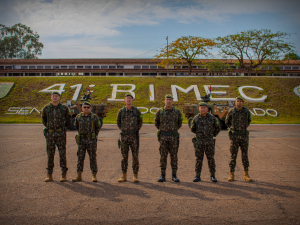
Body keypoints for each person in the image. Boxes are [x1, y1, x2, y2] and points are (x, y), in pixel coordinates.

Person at [42, 91, 71, 182]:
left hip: (61, 134)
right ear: (51, 97)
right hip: (50, 134)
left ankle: (63, 174)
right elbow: (44, 120)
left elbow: (69, 119)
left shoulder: (64, 108)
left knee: (62, 154)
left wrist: (64, 127)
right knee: (50, 154)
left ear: (59, 97)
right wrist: (49, 127)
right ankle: (49, 174)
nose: (55, 97)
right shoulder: (46, 108)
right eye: (53, 96)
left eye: (57, 96)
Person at [155, 94, 183, 182]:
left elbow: (179, 123)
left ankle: (174, 175)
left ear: (172, 101)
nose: (168, 101)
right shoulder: (160, 111)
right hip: (163, 137)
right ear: (164, 101)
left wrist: (172, 130)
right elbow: (156, 122)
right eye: (167, 99)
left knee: (174, 156)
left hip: (173, 137)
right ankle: (162, 175)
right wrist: (163, 130)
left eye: (170, 100)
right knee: (163, 156)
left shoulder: (177, 111)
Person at [190, 102, 220, 182]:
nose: (202, 109)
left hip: (209, 142)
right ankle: (197, 175)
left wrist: (212, 135)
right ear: (199, 109)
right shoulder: (196, 118)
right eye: (201, 108)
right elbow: (192, 129)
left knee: (211, 159)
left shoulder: (212, 118)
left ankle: (213, 175)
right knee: (199, 159)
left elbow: (218, 127)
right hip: (199, 142)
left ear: (207, 109)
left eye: (204, 107)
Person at [72, 102, 102, 182]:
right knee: (80, 158)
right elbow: (77, 127)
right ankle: (79, 175)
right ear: (82, 108)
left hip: (91, 141)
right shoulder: (78, 117)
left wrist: (94, 136)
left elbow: (97, 127)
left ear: (90, 108)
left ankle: (94, 175)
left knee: (92, 158)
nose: (86, 108)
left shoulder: (94, 117)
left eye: (88, 107)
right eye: (84, 107)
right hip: (81, 141)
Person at [117, 93, 143, 183]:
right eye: (127, 98)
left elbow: (140, 122)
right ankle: (123, 175)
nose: (128, 100)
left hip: (134, 137)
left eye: (130, 98)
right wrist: (124, 130)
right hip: (124, 137)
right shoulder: (121, 111)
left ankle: (135, 176)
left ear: (132, 100)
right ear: (124, 100)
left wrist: (134, 130)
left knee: (135, 156)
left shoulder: (136, 111)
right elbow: (118, 122)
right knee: (124, 157)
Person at [225, 96, 252, 182]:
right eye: (238, 101)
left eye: (240, 101)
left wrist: (242, 128)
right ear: (235, 103)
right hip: (235, 136)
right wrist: (233, 129)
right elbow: (227, 121)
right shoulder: (232, 111)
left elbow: (249, 121)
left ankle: (246, 174)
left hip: (244, 136)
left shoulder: (246, 111)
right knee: (233, 156)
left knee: (245, 155)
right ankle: (231, 174)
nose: (239, 102)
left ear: (243, 103)